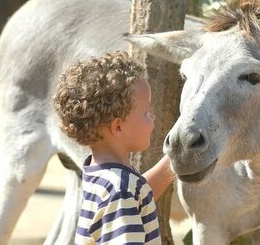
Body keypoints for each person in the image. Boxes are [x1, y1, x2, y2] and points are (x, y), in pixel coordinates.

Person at [53, 51, 174, 244]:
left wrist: (173, 162)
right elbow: (128, 197)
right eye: (146, 112)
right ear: (118, 126)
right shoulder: (121, 189)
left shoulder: (102, 175)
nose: (153, 117)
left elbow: (140, 196)